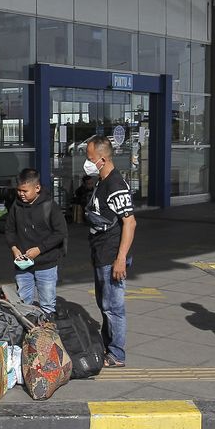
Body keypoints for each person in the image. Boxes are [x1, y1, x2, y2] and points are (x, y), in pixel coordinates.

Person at [82, 135, 137, 367]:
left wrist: (121, 258)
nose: (87, 162)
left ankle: (117, 354)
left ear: (102, 159)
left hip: (112, 254)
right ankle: (108, 346)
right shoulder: (101, 182)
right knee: (104, 304)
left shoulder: (115, 184)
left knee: (113, 307)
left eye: (90, 158)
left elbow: (130, 222)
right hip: (100, 252)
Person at [4, 168, 68, 315]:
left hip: (46, 264)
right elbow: (9, 230)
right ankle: (26, 333)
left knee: (47, 304)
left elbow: (60, 233)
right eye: (19, 190)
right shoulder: (16, 205)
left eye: (25, 191)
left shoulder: (50, 206)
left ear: (37, 188)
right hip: (23, 264)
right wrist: (14, 248)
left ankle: (47, 333)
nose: (21, 194)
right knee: (22, 303)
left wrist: (39, 249)